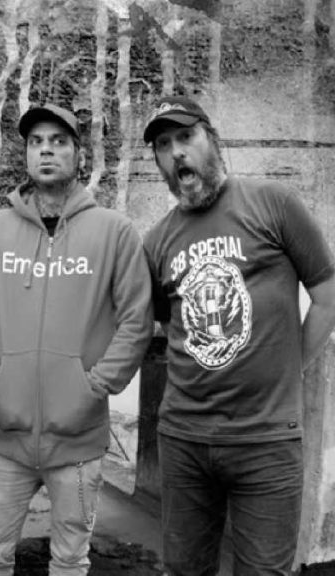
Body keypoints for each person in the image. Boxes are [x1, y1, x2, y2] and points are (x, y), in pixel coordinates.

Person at [141, 95, 335, 575]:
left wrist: (292, 367)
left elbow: (327, 294)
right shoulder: (156, 240)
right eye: (163, 145)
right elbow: (169, 324)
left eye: (186, 136)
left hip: (266, 442)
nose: (176, 152)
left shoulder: (274, 203)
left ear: (212, 140)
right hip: (184, 439)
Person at [0, 103, 153, 575]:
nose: (46, 151)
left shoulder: (114, 231)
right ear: (26, 154)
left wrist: (95, 387)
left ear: (78, 154)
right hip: (4, 438)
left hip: (79, 442)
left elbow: (135, 320)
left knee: (70, 560)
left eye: (58, 142)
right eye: (36, 142)